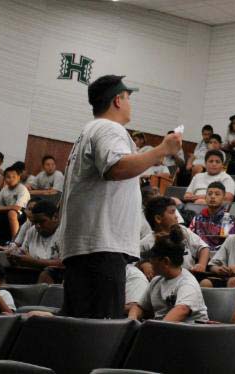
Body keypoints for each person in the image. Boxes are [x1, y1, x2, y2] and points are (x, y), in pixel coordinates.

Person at [59, 74, 183, 319]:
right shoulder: (109, 128)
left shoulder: (89, 131)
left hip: (88, 248)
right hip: (101, 248)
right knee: (99, 332)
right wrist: (162, 150)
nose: (130, 104)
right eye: (128, 98)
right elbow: (116, 167)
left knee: (78, 327)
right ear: (118, 100)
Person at [128, 229, 209, 323]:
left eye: (153, 258)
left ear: (166, 261)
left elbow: (182, 310)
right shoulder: (156, 281)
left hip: (189, 333)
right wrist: (132, 320)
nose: (150, 262)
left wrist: (150, 330)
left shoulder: (187, 283)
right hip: (165, 330)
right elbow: (139, 307)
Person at [142, 197, 210, 273]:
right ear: (158, 218)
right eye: (172, 212)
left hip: (189, 276)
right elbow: (135, 261)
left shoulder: (183, 231)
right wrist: (143, 264)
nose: (176, 216)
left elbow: (204, 248)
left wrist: (201, 265)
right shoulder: (146, 242)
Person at [6, 200, 63, 284]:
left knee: (47, 274)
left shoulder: (65, 232)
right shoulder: (32, 231)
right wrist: (15, 257)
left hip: (56, 277)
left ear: (55, 217)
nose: (37, 226)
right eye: (35, 222)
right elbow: (23, 252)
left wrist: (35, 262)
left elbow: (66, 263)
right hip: (32, 273)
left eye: (42, 221)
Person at [189, 181, 235, 250]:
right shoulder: (197, 218)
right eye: (210, 194)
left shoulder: (227, 219)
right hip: (198, 252)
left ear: (223, 198)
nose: (213, 196)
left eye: (217, 194)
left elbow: (227, 244)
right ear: (205, 197)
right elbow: (190, 238)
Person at [0, 166, 30, 239]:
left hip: (23, 213)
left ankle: (15, 240)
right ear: (4, 179)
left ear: (18, 178)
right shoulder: (4, 189)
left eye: (14, 177)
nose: (11, 179)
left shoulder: (22, 189)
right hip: (8, 211)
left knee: (12, 213)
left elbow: (18, 207)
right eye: (8, 177)